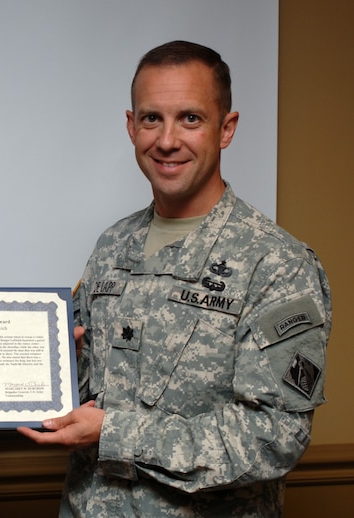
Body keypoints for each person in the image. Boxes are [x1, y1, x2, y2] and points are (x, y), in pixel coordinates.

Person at [18, 40, 332, 517]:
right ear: (131, 126)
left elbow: (275, 435)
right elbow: (79, 390)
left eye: (190, 118)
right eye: (151, 118)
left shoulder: (275, 264)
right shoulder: (111, 248)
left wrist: (114, 433)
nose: (166, 140)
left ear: (225, 129)